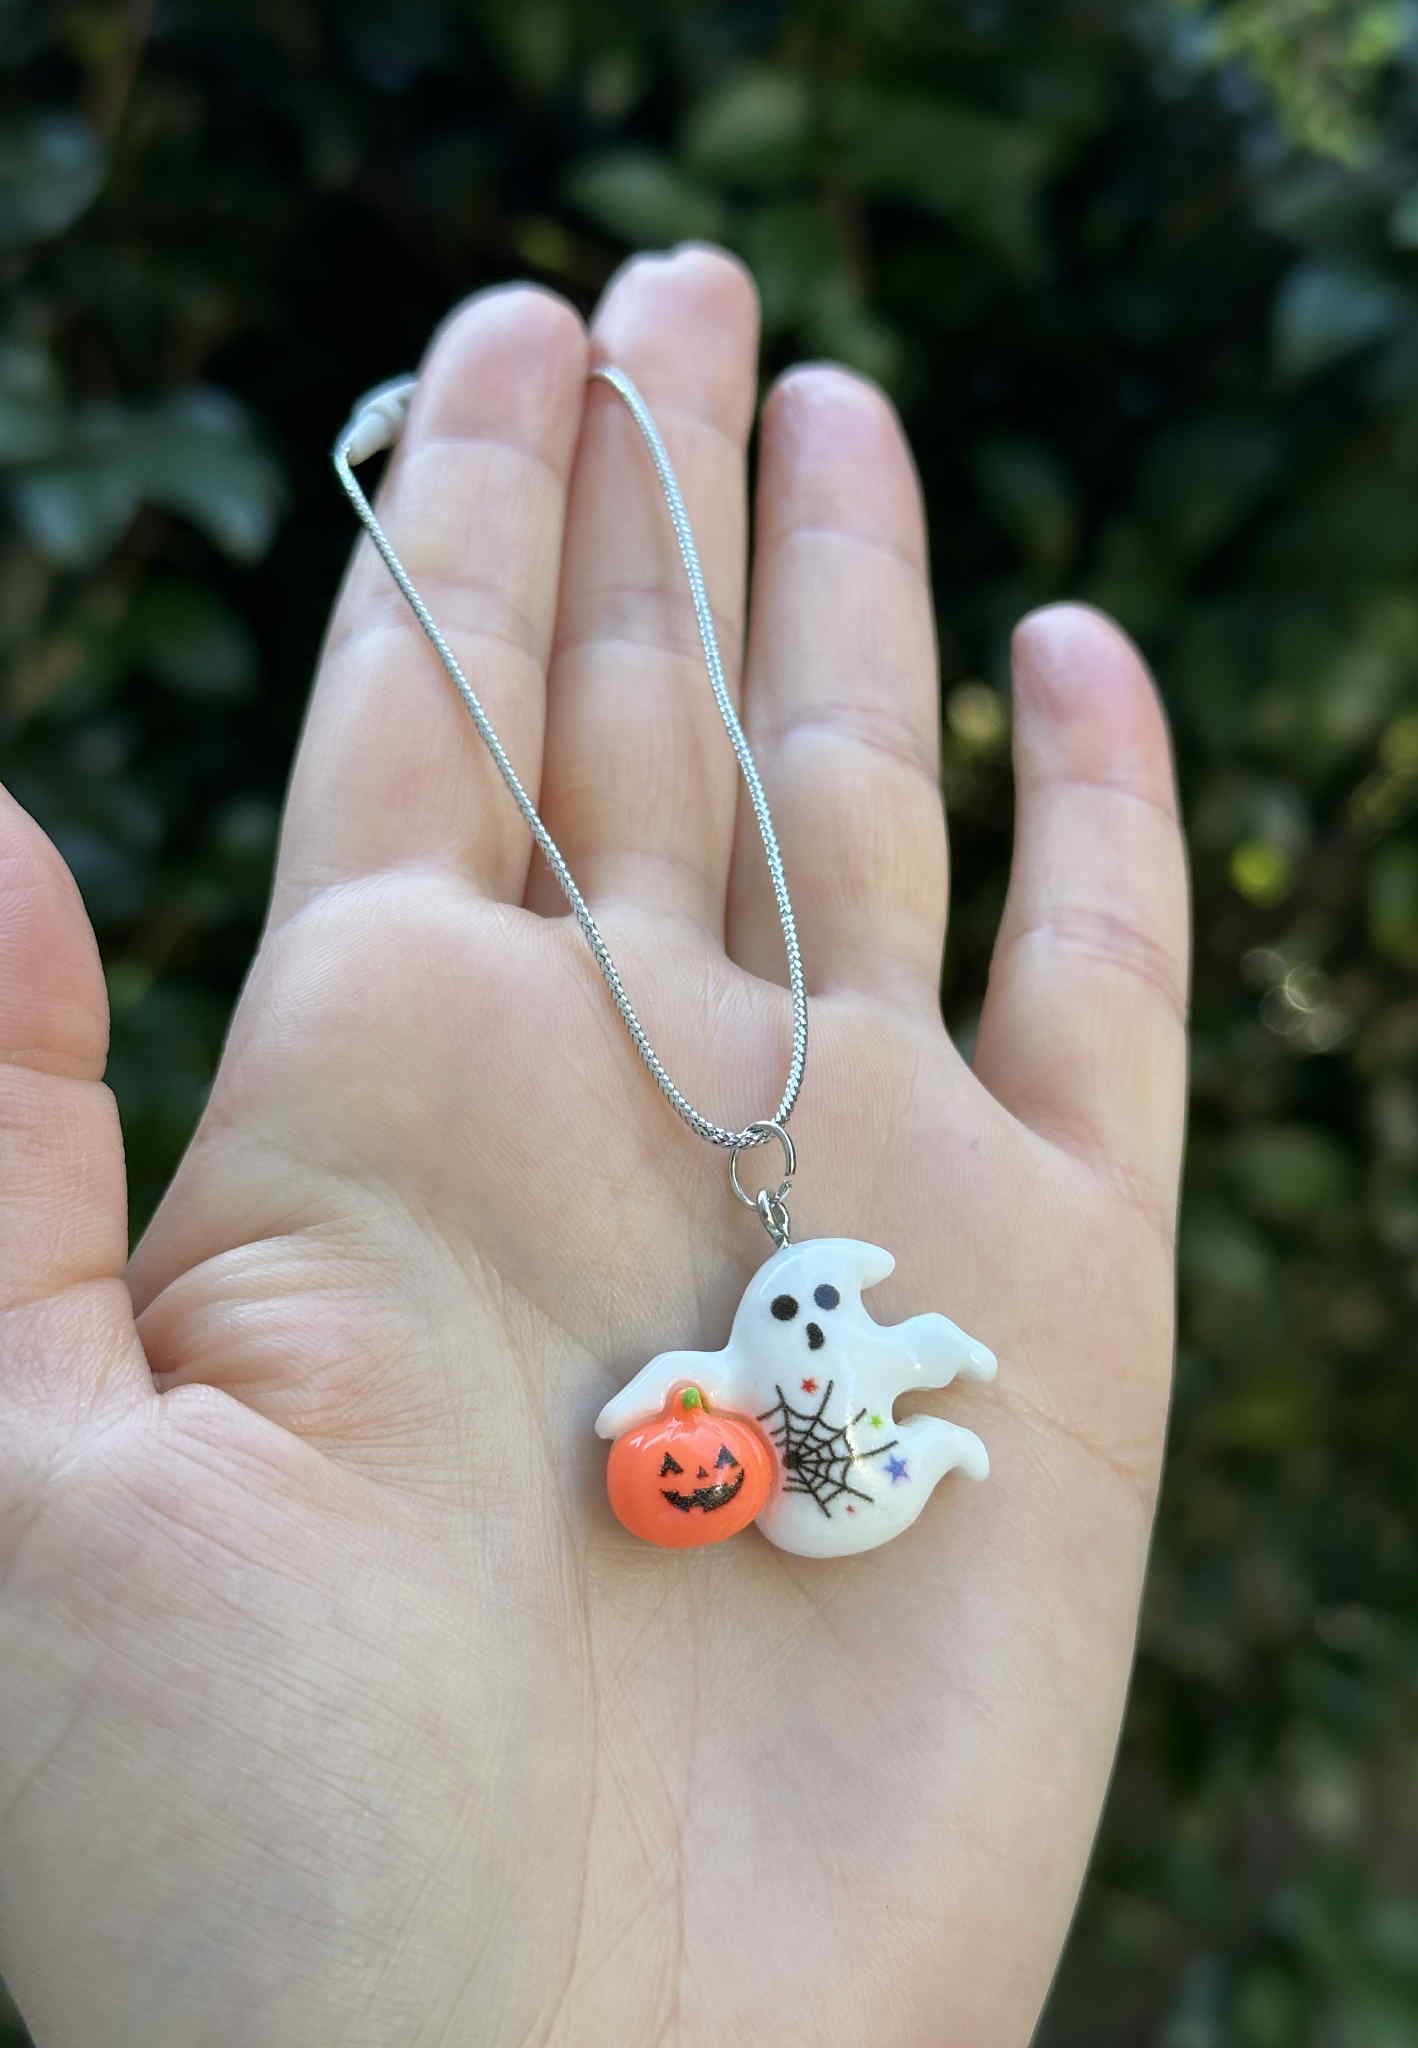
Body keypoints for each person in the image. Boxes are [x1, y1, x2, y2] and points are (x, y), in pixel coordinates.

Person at [0, 245, 1188, 2045]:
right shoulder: (741, 1356)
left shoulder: (820, 1332)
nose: (793, 1333)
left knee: (923, 1458)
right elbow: (679, 1400)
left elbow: (903, 1354)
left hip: (854, 1497)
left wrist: (913, 1391)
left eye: (807, 1324)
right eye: (791, 1327)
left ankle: (926, 1476)